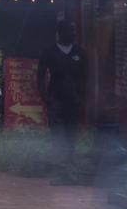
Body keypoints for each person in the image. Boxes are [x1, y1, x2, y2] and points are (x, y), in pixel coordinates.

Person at [35, 16, 88, 164]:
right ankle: (58, 163)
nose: (73, 34)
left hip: (74, 99)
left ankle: (70, 161)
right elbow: (40, 76)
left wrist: (83, 97)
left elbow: (86, 76)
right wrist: (45, 97)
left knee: (71, 133)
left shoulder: (80, 52)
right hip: (56, 99)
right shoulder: (49, 52)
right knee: (57, 133)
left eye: (74, 31)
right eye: (69, 31)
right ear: (60, 32)